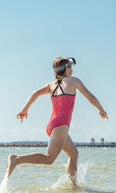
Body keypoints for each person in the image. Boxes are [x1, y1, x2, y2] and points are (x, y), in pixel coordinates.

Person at [6, 57, 108, 185]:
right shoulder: (73, 81)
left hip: (54, 125)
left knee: (74, 153)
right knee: (49, 159)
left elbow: (35, 93)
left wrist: (24, 109)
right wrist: (101, 109)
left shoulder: (51, 85)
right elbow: (90, 97)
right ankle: (16, 159)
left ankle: (73, 186)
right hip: (61, 125)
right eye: (70, 67)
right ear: (66, 69)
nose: (72, 70)